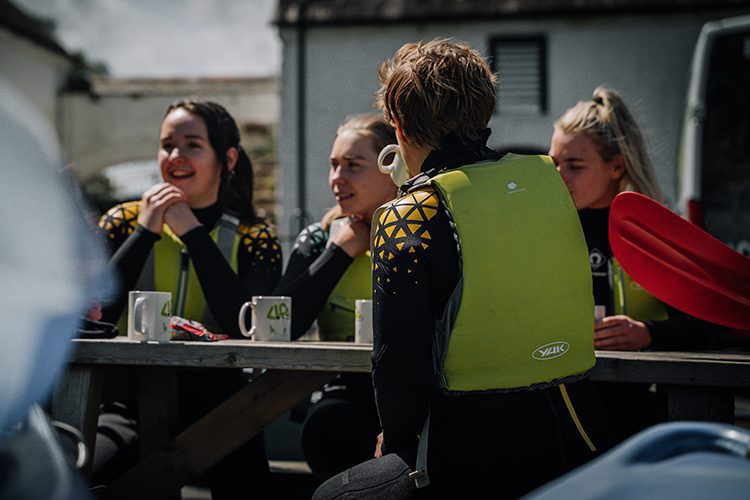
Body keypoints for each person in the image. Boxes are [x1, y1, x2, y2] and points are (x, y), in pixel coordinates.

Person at [313, 38, 614, 500]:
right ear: (483, 111)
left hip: (467, 450)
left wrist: (394, 450)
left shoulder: (407, 213)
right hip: (574, 436)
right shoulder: (548, 182)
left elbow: (397, 364)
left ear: (397, 122)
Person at [93, 99, 281, 498]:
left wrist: (193, 233)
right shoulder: (121, 221)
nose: (175, 156)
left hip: (222, 404)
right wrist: (145, 232)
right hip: (127, 400)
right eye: (167, 145)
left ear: (227, 159)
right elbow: (96, 315)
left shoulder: (254, 237)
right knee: (94, 471)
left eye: (193, 145)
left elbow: (245, 324)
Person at [549, 86, 719, 442]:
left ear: (617, 166)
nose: (560, 176)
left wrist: (647, 333)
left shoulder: (651, 232)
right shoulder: (546, 227)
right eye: (554, 164)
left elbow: (709, 322)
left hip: (641, 414)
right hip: (563, 411)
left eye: (575, 166)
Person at [273, 113, 398, 481]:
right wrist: (338, 253)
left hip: (415, 390)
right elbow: (280, 323)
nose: (336, 179)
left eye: (353, 166)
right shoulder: (318, 238)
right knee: (331, 428)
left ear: (392, 169)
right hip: (344, 392)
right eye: (333, 166)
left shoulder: (426, 235)